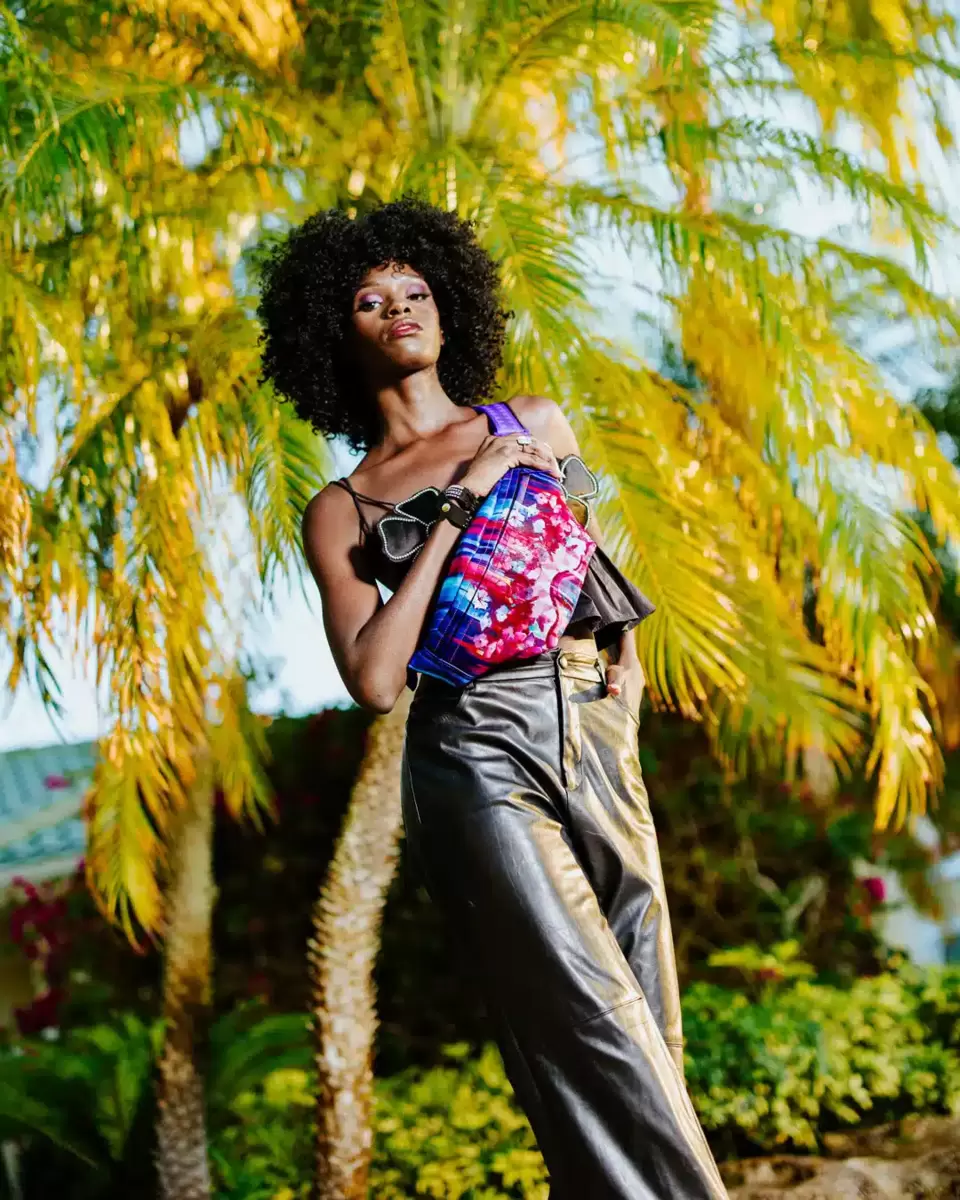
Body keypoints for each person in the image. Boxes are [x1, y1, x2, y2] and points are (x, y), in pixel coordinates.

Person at [256, 196, 728, 1199]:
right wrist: (457, 506)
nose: (400, 309)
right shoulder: (342, 507)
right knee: (589, 1012)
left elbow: (585, 552)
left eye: (416, 292)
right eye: (371, 300)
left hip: (594, 718)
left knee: (645, 1003)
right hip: (473, 746)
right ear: (333, 333)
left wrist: (629, 669)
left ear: (450, 307)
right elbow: (375, 678)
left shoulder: (532, 421)